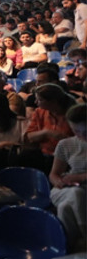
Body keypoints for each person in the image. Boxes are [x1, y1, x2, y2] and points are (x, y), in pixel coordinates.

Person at [49, 104, 86, 248]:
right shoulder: (65, 144)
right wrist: (58, 181)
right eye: (76, 131)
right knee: (76, 194)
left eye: (85, 131)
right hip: (65, 189)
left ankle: (66, 248)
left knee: (65, 208)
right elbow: (53, 174)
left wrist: (80, 177)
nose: (82, 136)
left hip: (79, 187)